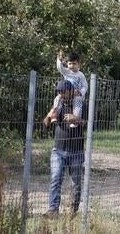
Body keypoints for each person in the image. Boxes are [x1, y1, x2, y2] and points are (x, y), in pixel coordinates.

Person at [43, 80, 86, 217]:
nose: (60, 94)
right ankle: (53, 210)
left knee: (76, 182)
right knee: (56, 178)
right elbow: (45, 123)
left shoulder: (81, 103)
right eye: (59, 91)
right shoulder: (58, 104)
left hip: (76, 150)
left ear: (71, 91)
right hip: (58, 150)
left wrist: (76, 119)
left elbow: (90, 123)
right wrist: (49, 118)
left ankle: (72, 211)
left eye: (63, 91)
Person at [55, 51, 88, 125]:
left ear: (79, 64)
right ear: (67, 64)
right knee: (58, 98)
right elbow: (60, 68)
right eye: (70, 63)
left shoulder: (80, 75)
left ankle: (75, 119)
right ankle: (56, 113)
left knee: (77, 102)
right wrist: (59, 60)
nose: (72, 66)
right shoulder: (66, 72)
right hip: (67, 94)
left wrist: (80, 92)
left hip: (76, 95)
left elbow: (85, 86)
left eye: (74, 63)